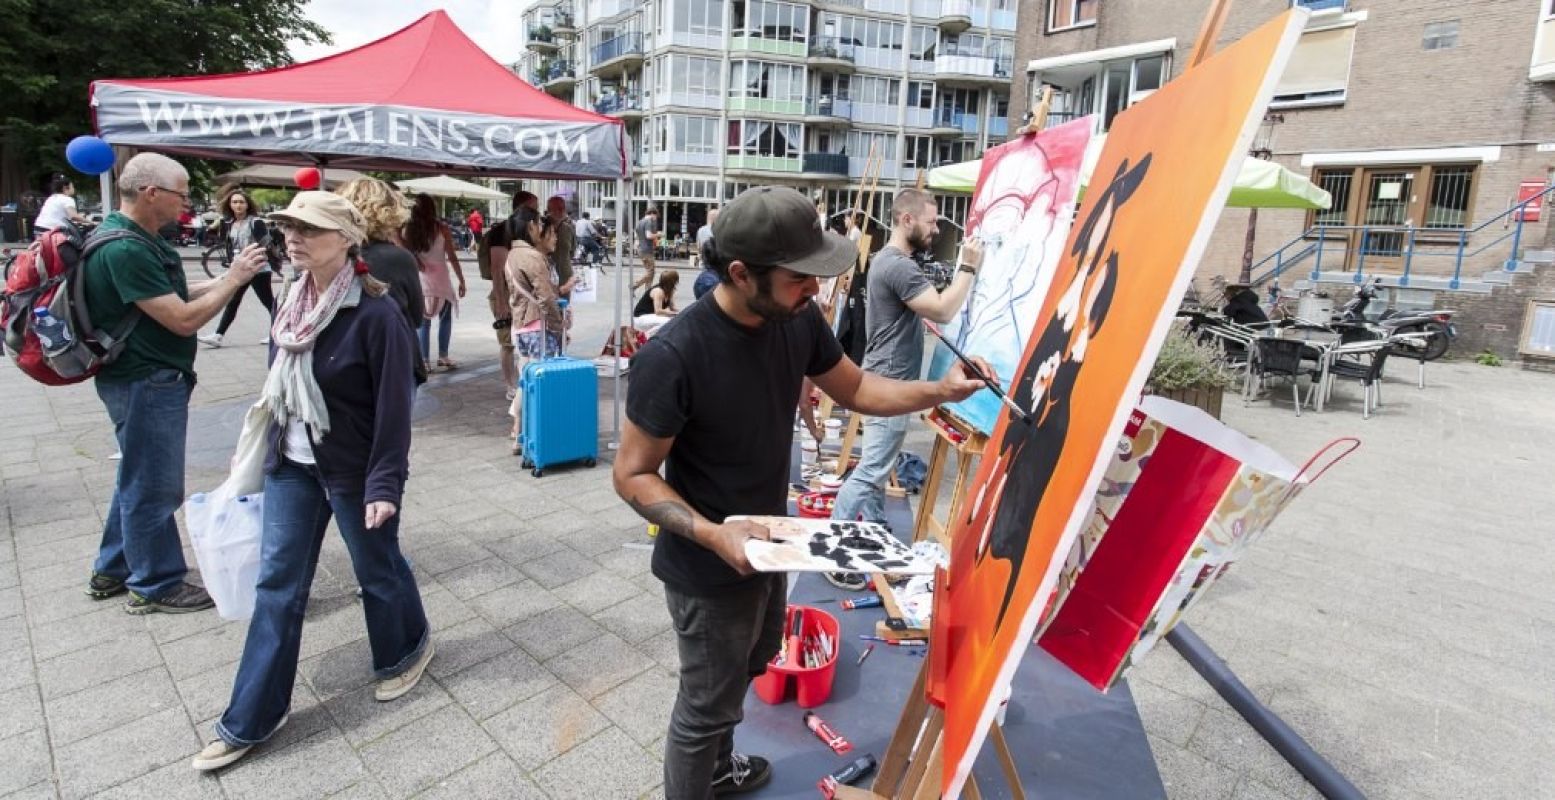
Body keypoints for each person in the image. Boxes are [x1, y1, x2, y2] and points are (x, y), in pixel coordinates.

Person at [613, 186, 992, 798]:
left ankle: (719, 767)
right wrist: (714, 533)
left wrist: (941, 391)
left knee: (754, 662)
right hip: (707, 564)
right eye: (799, 277)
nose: (816, 289)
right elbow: (630, 474)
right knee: (704, 703)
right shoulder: (676, 355)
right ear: (740, 274)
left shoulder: (795, 318)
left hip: (773, 546)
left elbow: (859, 390)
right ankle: (699, 774)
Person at [190, 191, 432, 772]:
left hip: (352, 469)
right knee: (278, 586)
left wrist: (384, 487)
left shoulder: (377, 315)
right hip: (292, 465)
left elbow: (394, 412)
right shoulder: (290, 303)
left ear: (345, 239)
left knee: (377, 569)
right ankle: (249, 718)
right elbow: (281, 385)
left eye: (308, 229)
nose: (292, 238)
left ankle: (405, 648)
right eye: (288, 228)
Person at [81, 153, 266, 613]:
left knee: (137, 476)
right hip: (145, 380)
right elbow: (182, 319)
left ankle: (113, 567)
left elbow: (172, 292)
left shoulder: (137, 239)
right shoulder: (123, 248)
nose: (186, 201)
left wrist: (223, 279)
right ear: (151, 193)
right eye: (181, 192)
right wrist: (235, 282)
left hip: (147, 378)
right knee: (156, 486)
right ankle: (155, 582)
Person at [832, 188, 982, 525]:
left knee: (878, 467)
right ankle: (835, 541)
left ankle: (874, 529)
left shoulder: (888, 260)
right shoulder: (898, 266)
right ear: (907, 219)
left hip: (886, 375)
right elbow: (941, 310)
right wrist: (968, 268)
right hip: (889, 378)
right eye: (931, 221)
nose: (937, 230)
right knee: (872, 470)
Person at [337, 178, 427, 383]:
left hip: (342, 358)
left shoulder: (331, 255)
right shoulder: (398, 258)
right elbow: (415, 317)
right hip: (392, 359)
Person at [504, 206, 573, 448]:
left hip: (523, 325)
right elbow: (545, 297)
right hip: (537, 327)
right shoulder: (532, 257)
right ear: (531, 226)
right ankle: (527, 432)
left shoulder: (513, 254)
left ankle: (522, 431)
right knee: (535, 379)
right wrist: (559, 325)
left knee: (527, 377)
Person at [199, 190, 277, 348]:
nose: (238, 205)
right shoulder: (229, 223)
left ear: (248, 204)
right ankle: (218, 335)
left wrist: (254, 254)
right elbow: (228, 244)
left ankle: (277, 333)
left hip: (257, 268)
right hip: (240, 268)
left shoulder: (255, 222)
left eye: (241, 202)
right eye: (234, 202)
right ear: (230, 205)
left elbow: (266, 243)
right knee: (233, 301)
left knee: (268, 302)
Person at [404, 193, 468, 370]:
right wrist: (461, 279)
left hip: (421, 278)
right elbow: (452, 256)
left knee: (424, 320)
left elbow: (407, 253)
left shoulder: (409, 230)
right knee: (445, 318)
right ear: (433, 209)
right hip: (441, 278)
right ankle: (443, 356)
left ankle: (424, 361)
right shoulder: (442, 229)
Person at [487, 191, 541, 399]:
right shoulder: (502, 231)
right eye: (534, 207)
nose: (537, 212)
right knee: (507, 342)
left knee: (520, 341)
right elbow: (496, 269)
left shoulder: (525, 231)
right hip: (506, 295)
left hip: (523, 296)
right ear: (523, 207)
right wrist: (501, 301)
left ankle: (519, 383)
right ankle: (510, 384)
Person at [547, 195, 576, 296]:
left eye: (561, 208)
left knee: (564, 306)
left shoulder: (569, 227)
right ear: (548, 209)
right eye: (555, 209)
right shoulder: (542, 225)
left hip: (564, 274)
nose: (559, 211)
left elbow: (573, 250)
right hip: (546, 273)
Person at [633, 206, 661, 292]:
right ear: (653, 214)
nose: (655, 219)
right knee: (651, 272)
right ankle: (634, 285)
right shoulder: (649, 222)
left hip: (641, 249)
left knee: (649, 271)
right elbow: (648, 235)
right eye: (656, 217)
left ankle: (648, 291)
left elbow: (636, 237)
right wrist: (659, 234)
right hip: (647, 250)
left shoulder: (639, 222)